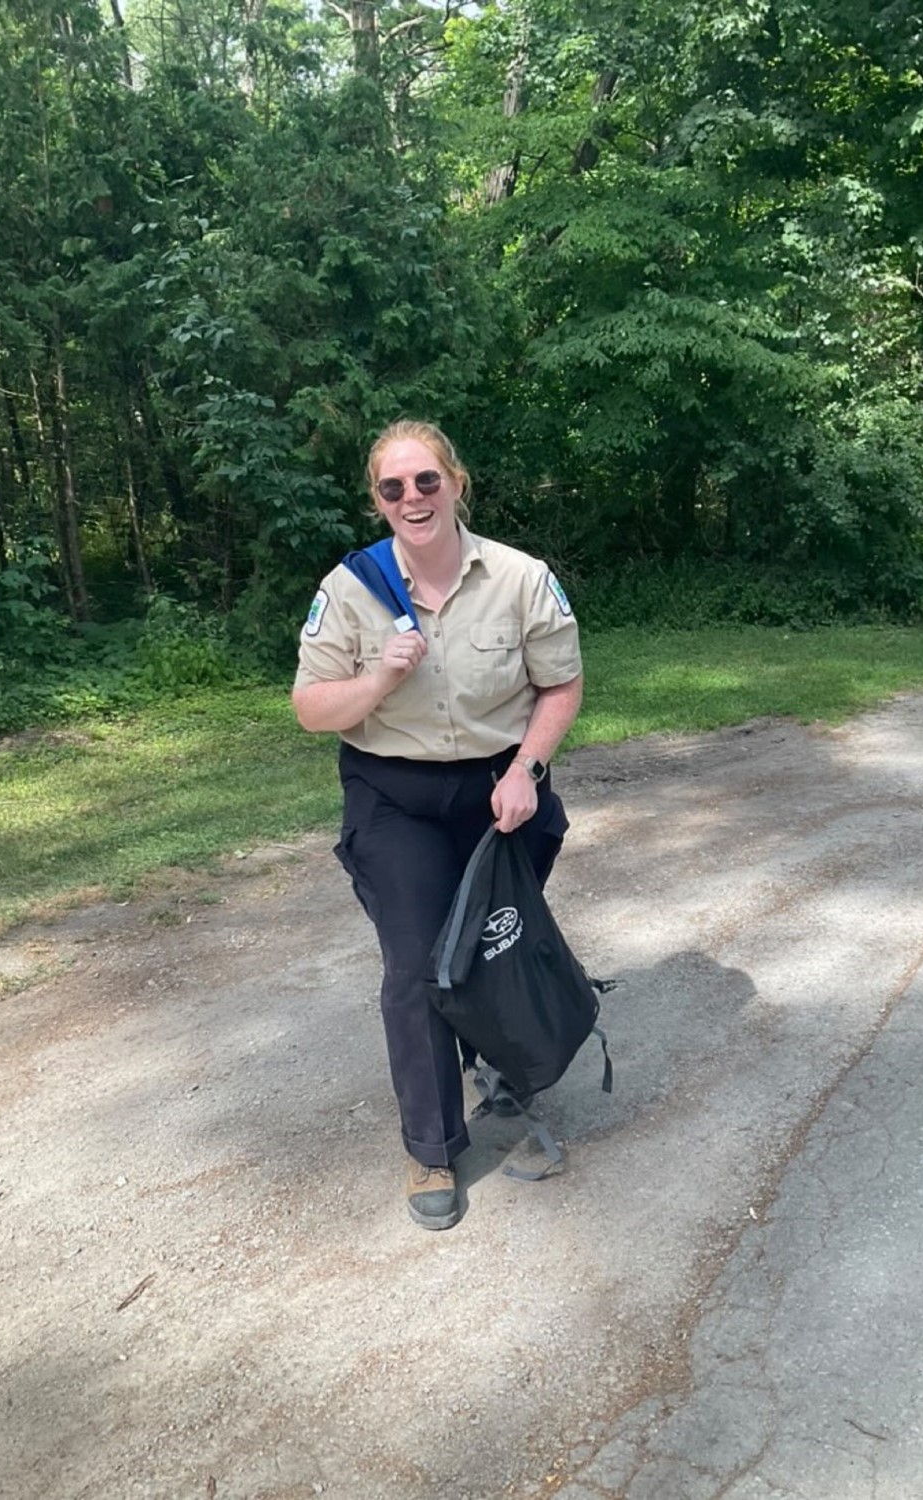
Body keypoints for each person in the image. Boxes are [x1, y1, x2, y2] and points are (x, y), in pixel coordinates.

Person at [292, 420, 583, 1231]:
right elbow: (312, 708)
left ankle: (499, 1065)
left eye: (427, 481)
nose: (412, 498)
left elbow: (560, 687)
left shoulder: (521, 579)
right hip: (397, 798)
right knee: (418, 964)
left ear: (457, 482)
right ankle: (432, 1143)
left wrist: (526, 771)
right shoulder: (349, 591)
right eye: (394, 488)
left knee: (494, 944)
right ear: (378, 501)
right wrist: (378, 677)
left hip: (502, 791)